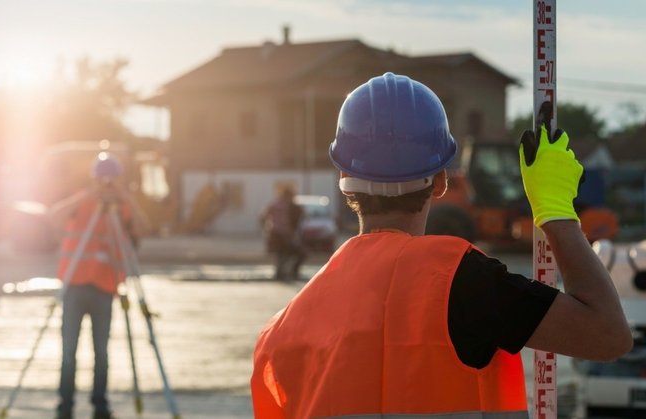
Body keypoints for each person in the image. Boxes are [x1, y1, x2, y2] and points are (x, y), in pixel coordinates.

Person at [251, 73, 632, 418]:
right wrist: (556, 213)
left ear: (344, 176)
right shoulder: (461, 282)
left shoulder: (283, 331)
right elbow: (608, 335)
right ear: (441, 183)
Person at [49, 152, 149, 419]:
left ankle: (100, 404)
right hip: (75, 286)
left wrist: (126, 198)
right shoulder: (81, 202)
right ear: (94, 179)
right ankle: (65, 405)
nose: (107, 185)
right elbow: (53, 217)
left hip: (105, 287)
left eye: (112, 180)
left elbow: (144, 229)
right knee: (69, 351)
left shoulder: (123, 208)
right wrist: (88, 195)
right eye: (103, 180)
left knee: (101, 352)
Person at [260, 186, 306, 281]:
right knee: (299, 253)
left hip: (275, 233)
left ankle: (280, 273)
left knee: (282, 254)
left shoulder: (274, 204)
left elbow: (263, 216)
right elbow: (298, 218)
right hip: (285, 235)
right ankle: (291, 272)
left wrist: (266, 228)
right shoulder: (290, 206)